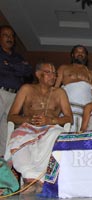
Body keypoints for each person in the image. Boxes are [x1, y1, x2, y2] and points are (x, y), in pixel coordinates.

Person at [7, 62, 73, 193]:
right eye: (49, 72)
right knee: (17, 137)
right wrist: (28, 119)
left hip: (51, 127)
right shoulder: (26, 89)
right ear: (38, 74)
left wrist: (51, 120)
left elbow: (69, 118)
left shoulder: (60, 92)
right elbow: (11, 116)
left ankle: (40, 179)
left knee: (57, 135)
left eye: (55, 73)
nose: (53, 76)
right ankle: (30, 178)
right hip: (28, 127)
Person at [0, 25, 33, 157]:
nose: (10, 38)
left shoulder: (18, 57)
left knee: (7, 128)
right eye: (6, 35)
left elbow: (28, 71)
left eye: (12, 36)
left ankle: (2, 160)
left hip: (15, 96)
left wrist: (9, 65)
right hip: (0, 92)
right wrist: (16, 68)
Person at [55, 44, 92, 131]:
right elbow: (55, 89)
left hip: (85, 113)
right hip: (66, 111)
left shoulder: (91, 74)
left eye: (83, 52)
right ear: (72, 55)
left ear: (86, 56)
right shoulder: (64, 68)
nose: (80, 54)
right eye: (77, 52)